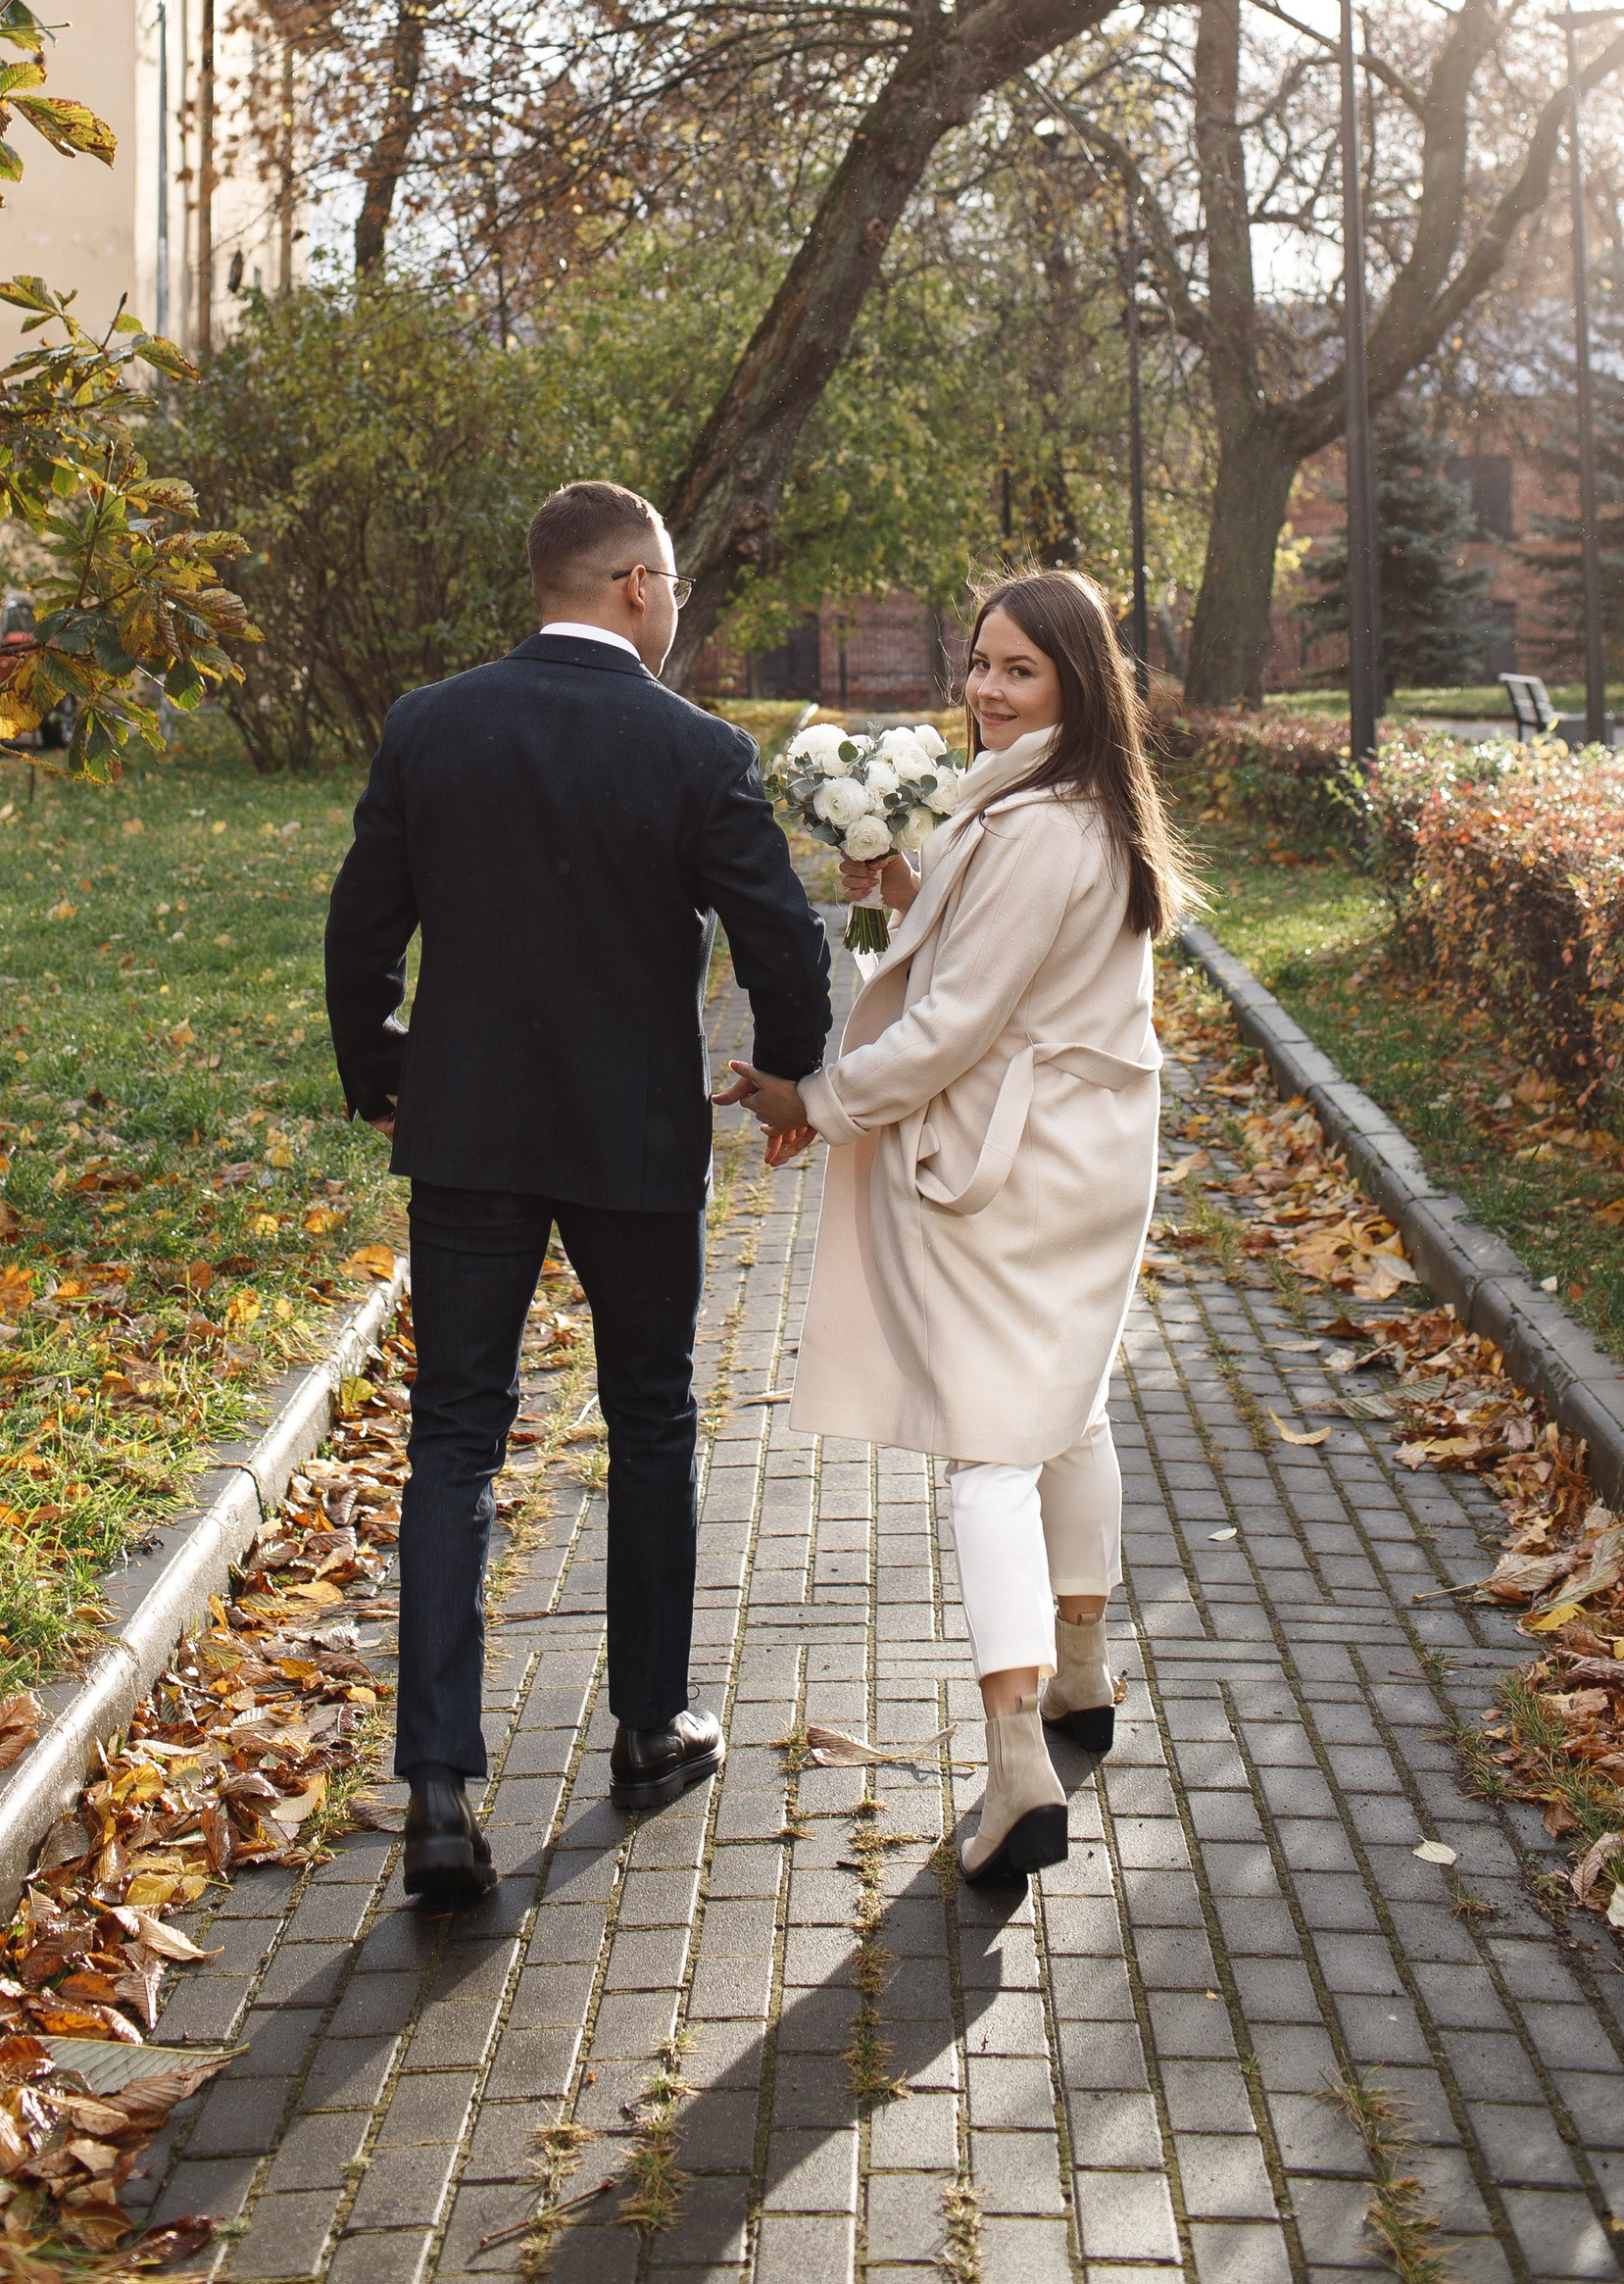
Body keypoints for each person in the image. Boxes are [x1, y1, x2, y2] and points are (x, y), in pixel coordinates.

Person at [326, 477, 834, 1910]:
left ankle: (438, 1783)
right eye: (667, 584)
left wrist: (380, 1073)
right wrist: (791, 1078)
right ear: (630, 586)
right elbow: (782, 940)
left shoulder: (432, 725)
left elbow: (362, 926)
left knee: (455, 1440)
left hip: (469, 1130)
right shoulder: (694, 749)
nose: (673, 606)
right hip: (630, 1139)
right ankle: (650, 1727)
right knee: (653, 1416)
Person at [718, 570, 1186, 1888]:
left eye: (1018, 670)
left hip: (1015, 1163)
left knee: (986, 1454)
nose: (986, 689)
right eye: (979, 662)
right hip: (1085, 1154)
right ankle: (1081, 1677)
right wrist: (891, 883)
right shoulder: (1067, 800)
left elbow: (953, 1025)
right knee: (1069, 1407)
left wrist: (815, 1097)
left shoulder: (1043, 821)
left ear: (1075, 684)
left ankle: (1015, 1765)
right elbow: (979, 951)